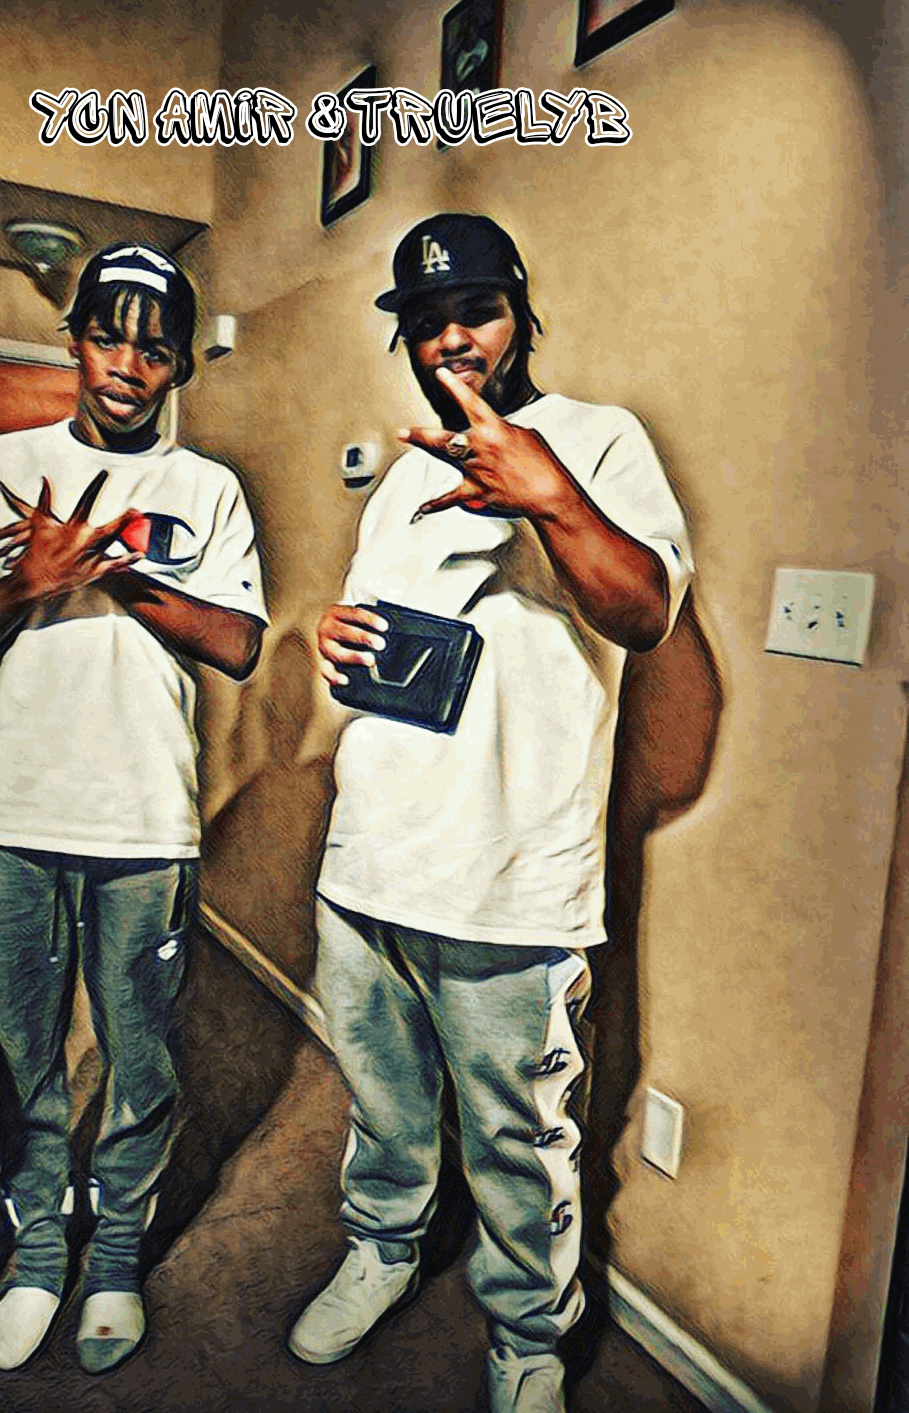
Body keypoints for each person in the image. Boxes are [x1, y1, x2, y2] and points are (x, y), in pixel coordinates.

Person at [288, 214, 693, 1413]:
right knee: (381, 1100)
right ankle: (383, 1248)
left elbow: (646, 612)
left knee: (521, 1137)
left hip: (510, 876)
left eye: (475, 311)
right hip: (371, 856)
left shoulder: (599, 440)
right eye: (426, 322)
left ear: (521, 312)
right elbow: (387, 650)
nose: (451, 340)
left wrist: (550, 497)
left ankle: (528, 1339)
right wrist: (337, 639)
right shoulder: (402, 479)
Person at [0, 242, 267, 1375]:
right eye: (108, 337)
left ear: (179, 367)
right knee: (21, 1050)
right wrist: (29, 581)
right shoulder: (4, 463)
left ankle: (113, 1255)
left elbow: (238, 642)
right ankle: (38, 1253)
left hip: (144, 824)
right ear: (74, 343)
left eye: (154, 348)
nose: (128, 364)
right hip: (14, 817)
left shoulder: (207, 490)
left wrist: (110, 566)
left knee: (139, 1054)